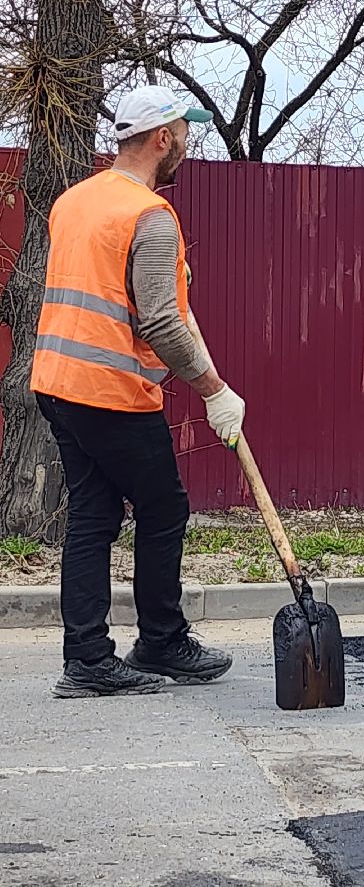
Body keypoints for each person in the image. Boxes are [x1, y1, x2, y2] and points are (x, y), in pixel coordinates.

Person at [32, 86, 246, 698]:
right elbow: (158, 321)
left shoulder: (76, 201)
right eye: (184, 133)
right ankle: (161, 641)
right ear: (161, 139)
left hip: (57, 382)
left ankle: (89, 661)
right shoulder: (149, 215)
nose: (187, 144)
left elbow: (109, 284)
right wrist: (213, 390)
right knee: (164, 509)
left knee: (93, 515)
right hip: (108, 390)